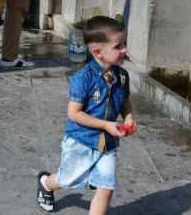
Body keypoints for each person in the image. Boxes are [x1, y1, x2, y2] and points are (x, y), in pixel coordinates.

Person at [36, 16, 136, 214]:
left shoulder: (122, 76)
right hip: (81, 140)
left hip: (107, 143)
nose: (124, 49)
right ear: (97, 52)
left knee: (106, 187)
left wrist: (129, 117)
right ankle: (46, 183)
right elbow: (74, 114)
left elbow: (124, 100)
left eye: (124, 44)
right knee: (68, 179)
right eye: (118, 46)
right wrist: (106, 124)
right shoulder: (83, 78)